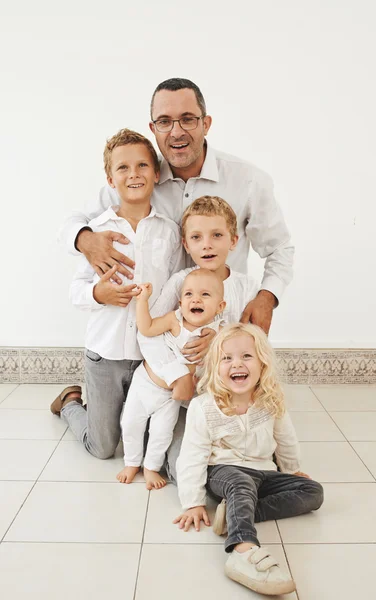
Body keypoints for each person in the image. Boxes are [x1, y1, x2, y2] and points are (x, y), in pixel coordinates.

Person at [58, 77, 294, 409]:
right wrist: (85, 240)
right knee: (139, 436)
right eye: (165, 122)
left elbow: (279, 248)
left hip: (218, 330)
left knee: (224, 432)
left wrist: (267, 297)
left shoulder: (248, 181)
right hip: (159, 337)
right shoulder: (139, 175)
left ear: (205, 123)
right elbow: (73, 221)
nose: (176, 131)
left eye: (188, 119)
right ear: (153, 128)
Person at [50, 129, 183, 459]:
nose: (133, 174)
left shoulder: (169, 231)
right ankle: (70, 402)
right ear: (110, 179)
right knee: (103, 448)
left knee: (155, 439)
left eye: (141, 166)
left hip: (150, 355)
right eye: (123, 168)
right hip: (105, 355)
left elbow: (175, 288)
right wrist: (100, 293)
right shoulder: (97, 233)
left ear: (156, 173)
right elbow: (75, 291)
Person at [174, 323, 324, 596]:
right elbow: (192, 455)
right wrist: (192, 502)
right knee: (241, 484)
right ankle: (243, 549)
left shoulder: (270, 400)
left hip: (263, 472)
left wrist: (292, 470)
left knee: (313, 492)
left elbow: (286, 439)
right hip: (223, 472)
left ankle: (235, 514)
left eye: (246, 356)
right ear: (215, 367)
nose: (236, 364)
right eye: (227, 358)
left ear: (262, 363)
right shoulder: (204, 406)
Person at [138, 195, 261, 480]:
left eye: (217, 235)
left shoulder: (245, 286)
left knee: (240, 453)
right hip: (181, 393)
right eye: (197, 237)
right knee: (180, 469)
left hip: (223, 393)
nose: (207, 244)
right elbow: (149, 334)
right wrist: (177, 375)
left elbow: (254, 341)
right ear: (186, 244)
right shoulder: (181, 282)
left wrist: (218, 339)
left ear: (233, 240)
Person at [117, 268, 225, 488]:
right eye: (189, 294)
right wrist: (142, 301)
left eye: (205, 295)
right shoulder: (175, 320)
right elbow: (146, 329)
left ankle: (151, 467)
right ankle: (131, 461)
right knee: (130, 423)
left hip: (171, 397)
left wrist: (217, 339)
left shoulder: (219, 332)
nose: (195, 299)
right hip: (145, 383)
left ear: (220, 306)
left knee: (161, 433)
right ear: (180, 302)